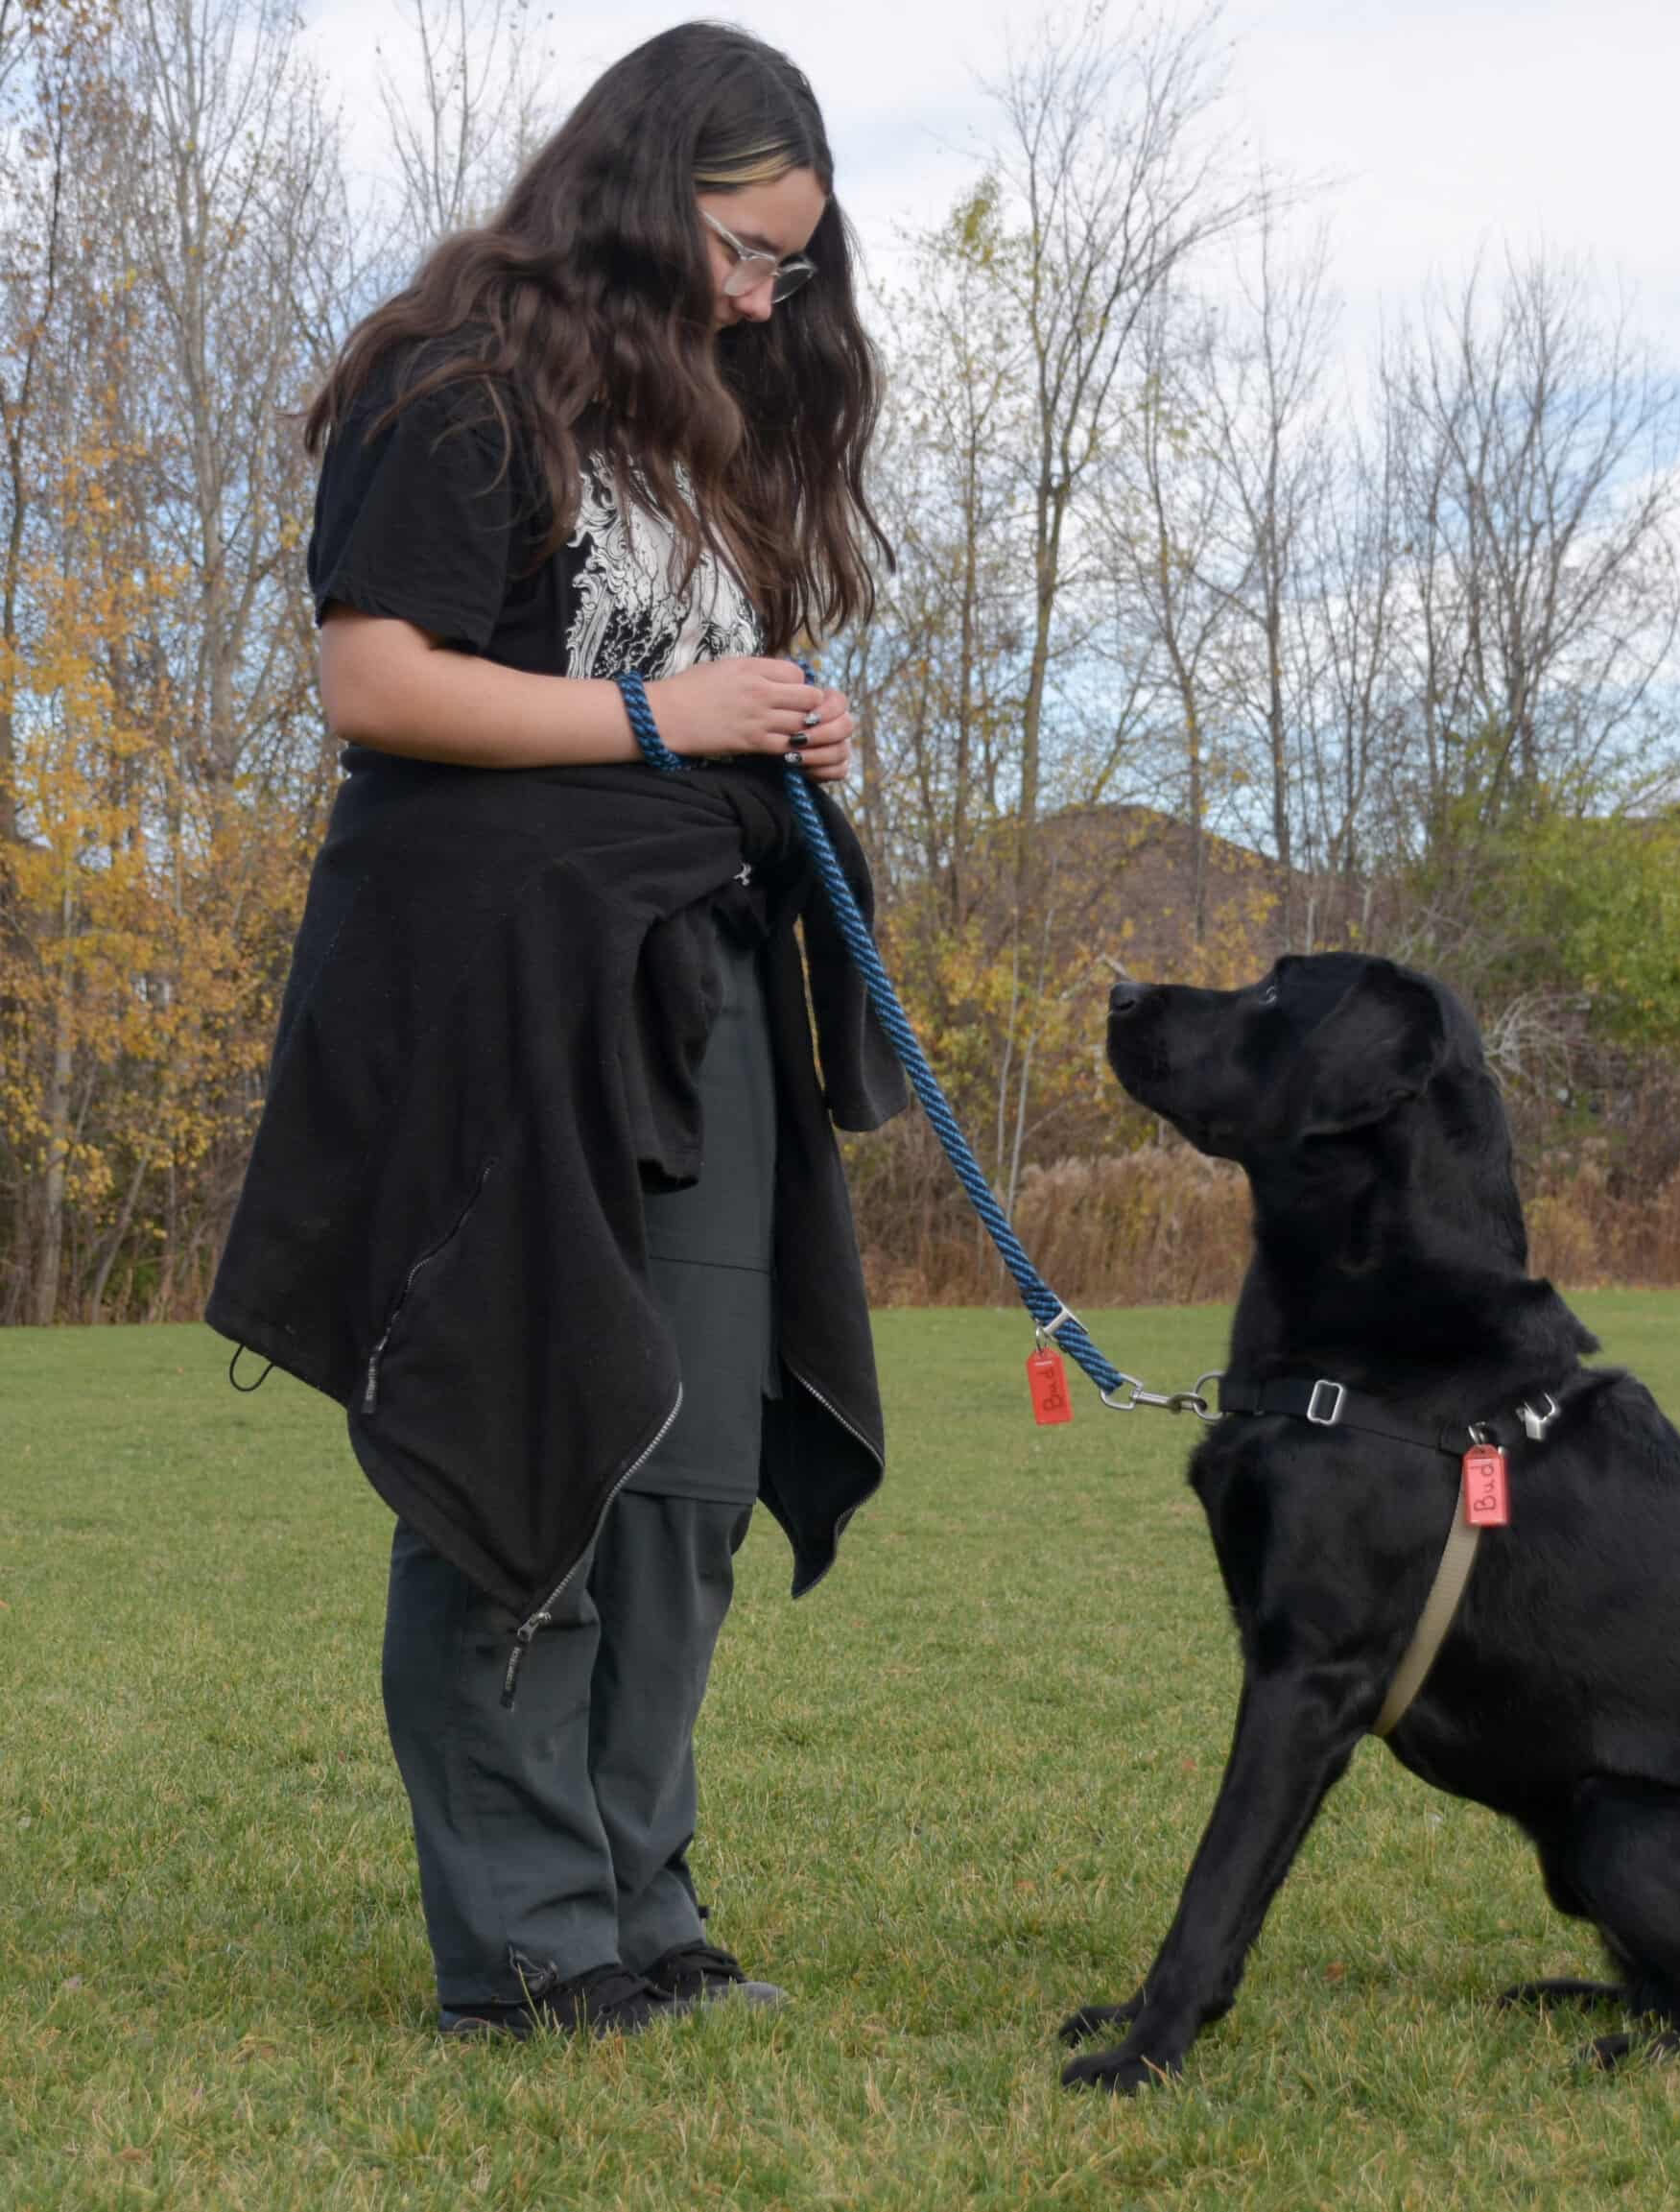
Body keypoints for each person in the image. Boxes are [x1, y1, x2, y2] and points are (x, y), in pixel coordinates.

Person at [204, 23, 905, 2040]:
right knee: (534, 1451)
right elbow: (372, 677)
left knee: (678, 1468)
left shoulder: (708, 422)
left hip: (687, 983)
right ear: (635, 197)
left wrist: (772, 712)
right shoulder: (457, 372)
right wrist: (654, 717)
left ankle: (637, 1907)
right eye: (744, 251)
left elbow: (681, 673)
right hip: (489, 1001)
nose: (769, 296)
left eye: (791, 263)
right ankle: (528, 1952)